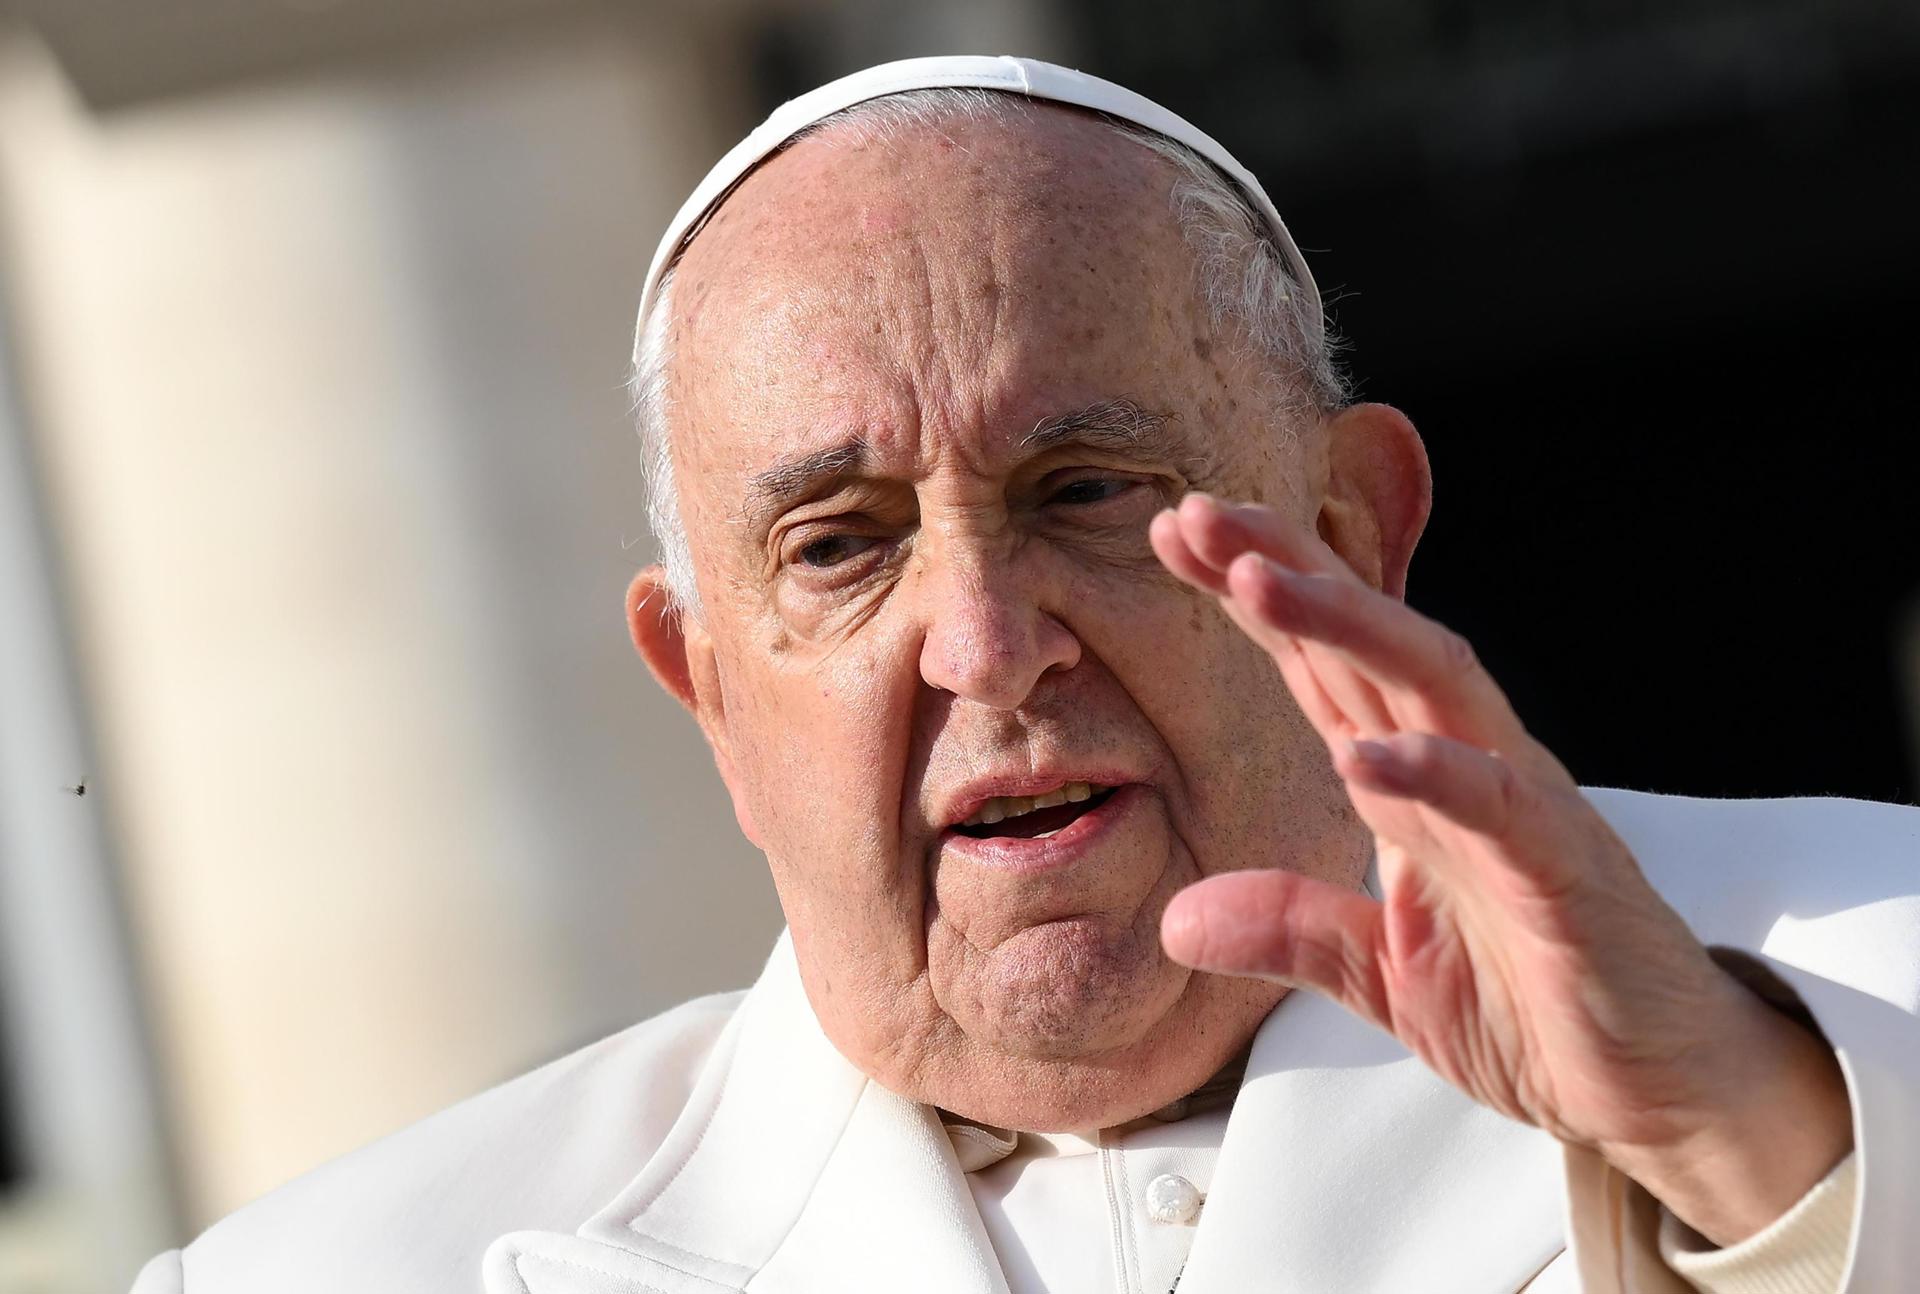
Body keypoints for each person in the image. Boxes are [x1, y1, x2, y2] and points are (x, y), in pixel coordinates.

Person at [131, 56, 1920, 1294]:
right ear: (710, 696)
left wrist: (1749, 1143)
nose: (988, 639)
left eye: (1084, 492)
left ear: (1353, 534)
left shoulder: (1881, 966)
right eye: (838, 542)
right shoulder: (328, 1273)